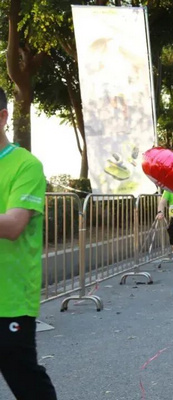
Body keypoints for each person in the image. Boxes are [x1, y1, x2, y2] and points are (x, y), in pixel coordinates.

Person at [0, 87, 57, 399]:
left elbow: (13, 225)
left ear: (3, 117)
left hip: (9, 300)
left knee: (25, 381)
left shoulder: (26, 165)